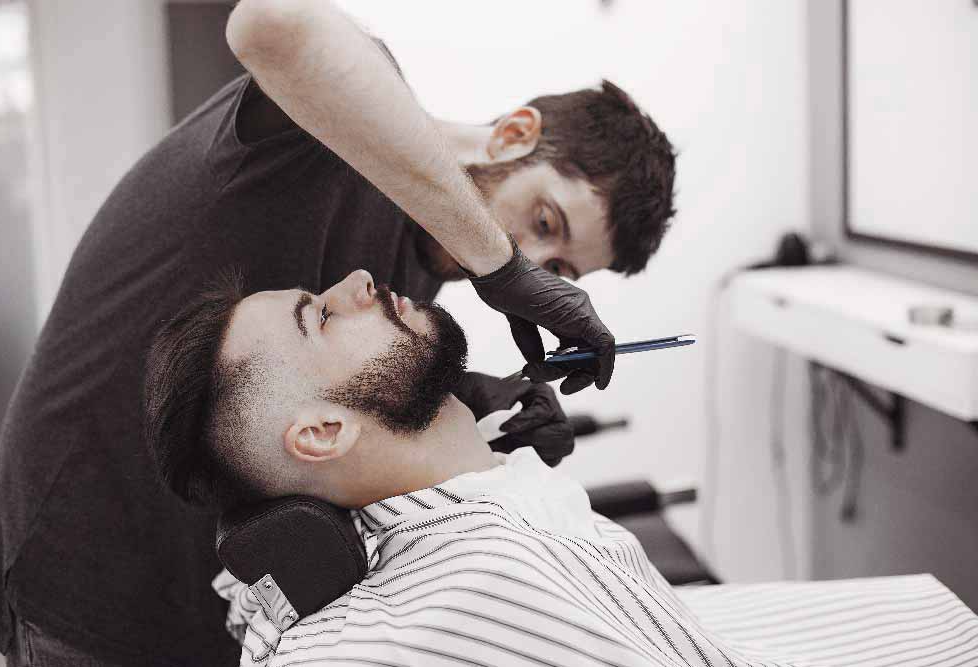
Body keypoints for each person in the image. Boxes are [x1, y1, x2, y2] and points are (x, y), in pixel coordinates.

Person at [0, 1, 676, 664]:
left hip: (213, 607)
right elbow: (269, 23)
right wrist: (502, 262)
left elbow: (307, 413)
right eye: (545, 222)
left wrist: (476, 409)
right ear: (515, 134)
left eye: (555, 268)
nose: (530, 258)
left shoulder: (420, 267)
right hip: (83, 571)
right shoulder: (341, 118)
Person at [145, 273, 978, 667]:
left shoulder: (409, 509)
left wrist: (480, 423)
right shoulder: (489, 579)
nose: (357, 280)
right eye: (320, 315)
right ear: (321, 430)